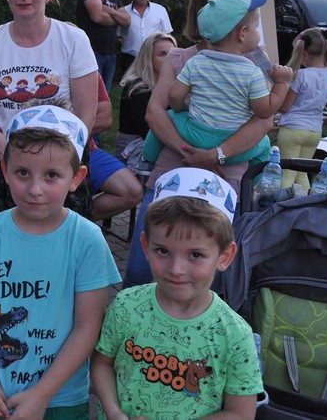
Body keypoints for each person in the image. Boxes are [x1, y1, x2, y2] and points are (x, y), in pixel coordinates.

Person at [0, 105, 121, 419]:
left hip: (62, 398)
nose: (35, 190)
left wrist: (42, 394)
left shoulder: (86, 239)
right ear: (5, 170)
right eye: (23, 173)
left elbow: (88, 326)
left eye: (52, 175)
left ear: (76, 178)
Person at [123, 0, 276, 289]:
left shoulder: (256, 61)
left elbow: (264, 120)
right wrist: (190, 153)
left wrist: (215, 155)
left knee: (209, 271)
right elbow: (155, 112)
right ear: (204, 7)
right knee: (142, 267)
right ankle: (129, 318)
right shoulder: (181, 57)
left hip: (227, 174)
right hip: (175, 168)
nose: (239, 5)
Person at [91, 168, 263, 419]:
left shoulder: (234, 334)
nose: (176, 269)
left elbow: (240, 414)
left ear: (224, 256)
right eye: (163, 251)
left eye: (195, 254)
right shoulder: (126, 305)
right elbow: (102, 363)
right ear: (146, 246)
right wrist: (114, 411)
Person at [0, 0, 99, 229]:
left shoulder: (73, 40)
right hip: (2, 158)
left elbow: (86, 112)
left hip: (58, 162)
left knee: (58, 240)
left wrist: (64, 158)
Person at [142, 0, 294, 167]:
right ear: (243, 33)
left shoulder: (195, 63)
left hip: (194, 136)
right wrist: (282, 83)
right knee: (265, 144)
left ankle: (147, 159)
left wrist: (180, 109)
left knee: (168, 116)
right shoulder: (252, 73)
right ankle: (256, 180)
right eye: (256, 27)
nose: (258, 33)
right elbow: (265, 112)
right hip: (232, 145)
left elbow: (175, 95)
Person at [277, 28, 327, 190]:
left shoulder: (301, 75)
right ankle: (305, 203)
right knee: (302, 174)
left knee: (287, 174)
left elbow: (284, 107)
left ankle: (282, 205)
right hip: (314, 131)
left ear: (304, 54)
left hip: (293, 129)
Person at [115, 32, 177, 163]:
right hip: (135, 150)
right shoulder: (137, 88)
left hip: (163, 142)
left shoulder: (178, 84)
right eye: (162, 54)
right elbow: (149, 130)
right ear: (148, 58)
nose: (169, 59)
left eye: (173, 54)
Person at [89, 75, 144, 221]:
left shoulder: (85, 70)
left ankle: (72, 222)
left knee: (132, 191)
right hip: (34, 147)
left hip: (85, 149)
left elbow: (105, 119)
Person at [75, 0, 131, 92]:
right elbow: (97, 17)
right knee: (92, 93)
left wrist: (110, 11)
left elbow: (127, 20)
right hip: (92, 52)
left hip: (110, 54)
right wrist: (117, 18)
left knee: (105, 94)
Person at [116, 0, 173, 79]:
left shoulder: (160, 10)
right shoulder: (123, 12)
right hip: (131, 60)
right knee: (131, 86)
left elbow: (167, 36)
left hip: (154, 58)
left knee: (155, 85)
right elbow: (117, 36)